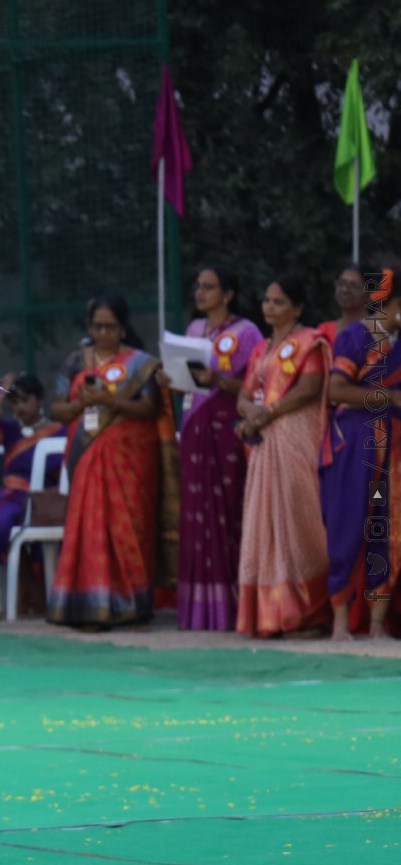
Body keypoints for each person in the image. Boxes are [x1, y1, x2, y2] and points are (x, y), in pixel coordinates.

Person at [45, 294, 171, 628]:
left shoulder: (140, 363)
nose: (104, 333)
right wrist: (79, 407)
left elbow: (151, 408)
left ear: (122, 327)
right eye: (98, 326)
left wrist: (109, 401)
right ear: (90, 327)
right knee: (90, 525)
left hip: (130, 458)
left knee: (129, 526)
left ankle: (131, 605)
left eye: (111, 327)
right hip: (87, 452)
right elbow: (57, 408)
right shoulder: (75, 362)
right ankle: (88, 605)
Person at [235, 275, 330, 636]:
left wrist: (268, 413)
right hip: (263, 444)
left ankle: (307, 613)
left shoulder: (309, 342)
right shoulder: (260, 349)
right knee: (264, 524)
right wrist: (249, 414)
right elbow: (245, 393)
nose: (269, 307)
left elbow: (310, 388)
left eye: (278, 302)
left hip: (296, 439)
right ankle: (272, 615)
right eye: (266, 301)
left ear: (298, 307)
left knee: (298, 521)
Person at [177, 264, 263, 630]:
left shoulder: (247, 333)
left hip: (227, 429)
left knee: (228, 513)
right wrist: (175, 377)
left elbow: (255, 384)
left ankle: (232, 608)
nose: (200, 293)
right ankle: (199, 612)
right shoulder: (194, 330)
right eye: (198, 286)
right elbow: (190, 384)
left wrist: (219, 381)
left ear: (227, 294)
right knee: (196, 516)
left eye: (209, 287)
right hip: (196, 427)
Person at [322, 269, 399, 637]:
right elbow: (336, 391)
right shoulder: (356, 337)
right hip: (356, 448)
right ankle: (340, 623)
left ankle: (378, 624)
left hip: (392, 455)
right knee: (347, 527)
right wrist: (390, 398)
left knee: (382, 528)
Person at [0, 375, 64, 605]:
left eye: (25, 400)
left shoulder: (58, 431)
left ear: (39, 400)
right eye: (15, 403)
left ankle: (35, 592)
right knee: (3, 519)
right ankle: (25, 587)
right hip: (11, 497)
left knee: (7, 518)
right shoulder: (11, 429)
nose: (19, 408)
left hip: (43, 500)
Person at [321, 263, 367, 349]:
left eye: (353, 286)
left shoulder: (375, 331)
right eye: (341, 284)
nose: (345, 290)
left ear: (369, 293)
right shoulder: (324, 331)